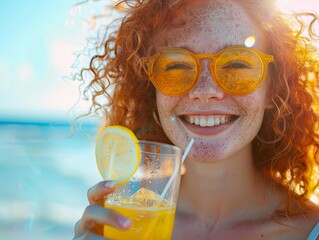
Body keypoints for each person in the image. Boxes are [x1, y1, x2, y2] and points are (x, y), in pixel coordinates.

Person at [72, 0, 319, 239]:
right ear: (151, 91)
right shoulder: (124, 223)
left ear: (273, 88)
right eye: (176, 66)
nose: (204, 90)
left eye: (236, 64)